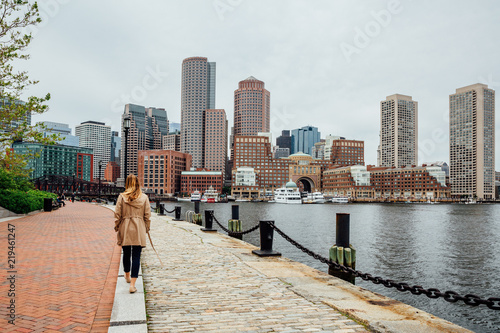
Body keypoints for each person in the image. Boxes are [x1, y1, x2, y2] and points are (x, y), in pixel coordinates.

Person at [114, 174, 151, 293]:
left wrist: (117, 226)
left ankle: (127, 275)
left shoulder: (121, 197)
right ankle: (133, 285)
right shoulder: (144, 197)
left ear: (127, 184)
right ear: (137, 183)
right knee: (136, 256)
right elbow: (147, 216)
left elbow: (117, 214)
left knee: (126, 253)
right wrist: (147, 228)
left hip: (125, 226)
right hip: (138, 227)